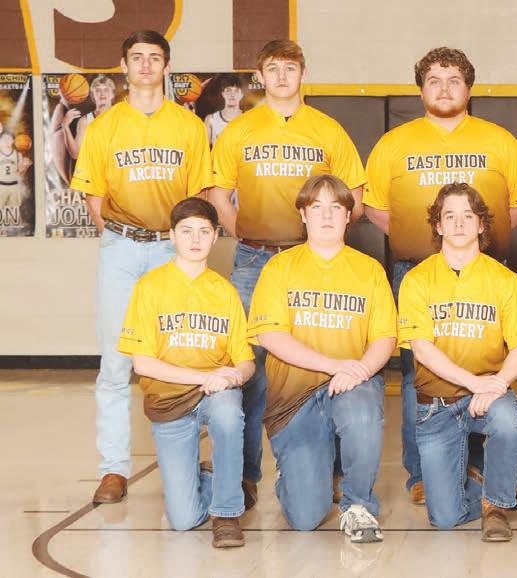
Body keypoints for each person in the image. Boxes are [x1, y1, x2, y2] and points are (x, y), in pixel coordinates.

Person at [364, 46, 517, 505]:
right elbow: (374, 206)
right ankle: (422, 472)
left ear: (469, 88)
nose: (444, 89)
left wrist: (473, 241)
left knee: (485, 364)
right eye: (434, 81)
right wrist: (422, 238)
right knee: (417, 374)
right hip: (414, 271)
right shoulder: (394, 143)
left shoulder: (500, 141)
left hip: (484, 270)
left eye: (454, 80)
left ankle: (477, 465)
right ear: (421, 90)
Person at [209, 39, 366, 508]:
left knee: (324, 358)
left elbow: (355, 198)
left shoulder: (327, 129)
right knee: (248, 366)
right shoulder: (240, 129)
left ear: (303, 74)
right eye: (273, 68)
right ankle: (246, 475)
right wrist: (245, 232)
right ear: (260, 76)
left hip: (312, 260)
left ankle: (330, 471)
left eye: (290, 68)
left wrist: (321, 241)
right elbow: (218, 194)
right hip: (255, 259)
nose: (281, 76)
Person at [71, 30, 213, 505]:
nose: (146, 65)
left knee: (182, 355)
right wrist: (120, 237)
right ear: (124, 66)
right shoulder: (104, 126)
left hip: (171, 249)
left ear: (167, 67)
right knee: (115, 361)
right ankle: (113, 469)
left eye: (155, 57)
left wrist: (184, 250)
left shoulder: (189, 126)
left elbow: (198, 197)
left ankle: (185, 459)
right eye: (137, 57)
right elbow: (94, 197)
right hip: (122, 247)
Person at [247, 174, 395, 542]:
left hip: (353, 384)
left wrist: (358, 369)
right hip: (295, 396)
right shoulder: (279, 267)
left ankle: (358, 505)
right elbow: (271, 335)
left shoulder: (369, 270)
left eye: (335, 208)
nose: (327, 216)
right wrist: (333, 365)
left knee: (361, 411)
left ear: (348, 216)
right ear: (303, 215)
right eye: (317, 207)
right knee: (305, 517)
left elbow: (384, 338)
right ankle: (304, 473)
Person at [118, 197, 254, 548]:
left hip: (216, 393)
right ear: (172, 236)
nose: (195, 239)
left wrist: (233, 376)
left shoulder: (224, 292)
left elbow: (246, 361)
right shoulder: (150, 287)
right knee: (183, 520)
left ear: (215, 237)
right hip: (170, 400)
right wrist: (204, 377)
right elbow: (142, 363)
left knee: (228, 412)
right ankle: (213, 477)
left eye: (204, 232)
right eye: (186, 231)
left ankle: (226, 512)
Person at [398, 183, 517, 541]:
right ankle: (479, 480)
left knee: (506, 418)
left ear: (481, 225)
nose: (459, 224)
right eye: (450, 216)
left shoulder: (505, 280)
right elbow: (421, 349)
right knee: (444, 518)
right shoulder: (416, 280)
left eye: (468, 216)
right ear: (438, 225)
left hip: (489, 394)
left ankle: (497, 506)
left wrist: (497, 384)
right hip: (436, 406)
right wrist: (474, 384)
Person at [205, 76, 244, 145]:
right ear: (223, 94)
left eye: (236, 91)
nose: (232, 94)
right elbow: (204, 148)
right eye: (228, 90)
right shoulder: (211, 119)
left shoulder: (248, 118)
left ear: (241, 95)